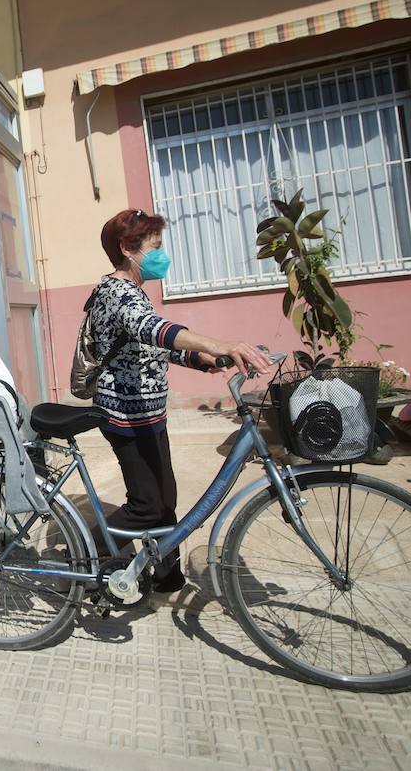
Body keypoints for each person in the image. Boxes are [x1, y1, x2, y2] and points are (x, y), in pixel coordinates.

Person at [90, 209, 272, 592]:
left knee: (164, 499)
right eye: (155, 247)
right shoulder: (115, 291)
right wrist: (217, 343)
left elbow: (152, 346)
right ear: (127, 248)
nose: (161, 255)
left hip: (149, 412)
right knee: (145, 506)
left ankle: (167, 577)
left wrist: (200, 359)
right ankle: (85, 553)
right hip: (124, 413)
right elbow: (152, 329)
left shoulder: (134, 291)